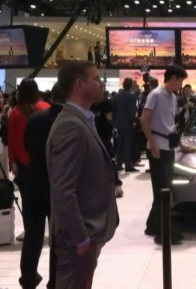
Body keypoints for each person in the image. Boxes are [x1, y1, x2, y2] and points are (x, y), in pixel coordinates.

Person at [47, 60, 118, 289]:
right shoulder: (71, 126)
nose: (101, 83)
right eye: (96, 78)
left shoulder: (82, 120)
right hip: (78, 236)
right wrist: (81, 238)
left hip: (86, 232)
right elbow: (63, 190)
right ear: (79, 84)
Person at [141, 65, 194, 245]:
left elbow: (171, 126)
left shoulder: (172, 98)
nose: (181, 84)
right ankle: (163, 232)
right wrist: (153, 144)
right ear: (173, 78)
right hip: (157, 148)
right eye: (180, 80)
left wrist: (181, 145)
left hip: (168, 148)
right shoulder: (155, 95)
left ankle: (152, 225)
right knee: (162, 189)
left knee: (164, 189)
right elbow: (144, 120)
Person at [21, 84, 66, 289]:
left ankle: (28, 278)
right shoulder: (71, 120)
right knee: (59, 236)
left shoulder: (35, 119)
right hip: (60, 184)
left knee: (33, 234)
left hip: (35, 181)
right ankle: (55, 280)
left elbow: (27, 145)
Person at [9, 79, 51, 243]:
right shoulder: (46, 108)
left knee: (28, 202)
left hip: (25, 164)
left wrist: (12, 161)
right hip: (46, 163)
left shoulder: (15, 113)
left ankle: (30, 232)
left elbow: (12, 140)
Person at [112, 78, 139, 173]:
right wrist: (133, 120)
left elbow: (114, 109)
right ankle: (128, 164)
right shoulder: (132, 95)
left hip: (119, 122)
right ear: (131, 84)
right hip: (128, 122)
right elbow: (132, 109)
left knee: (120, 143)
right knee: (128, 143)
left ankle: (119, 164)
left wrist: (114, 121)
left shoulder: (117, 95)